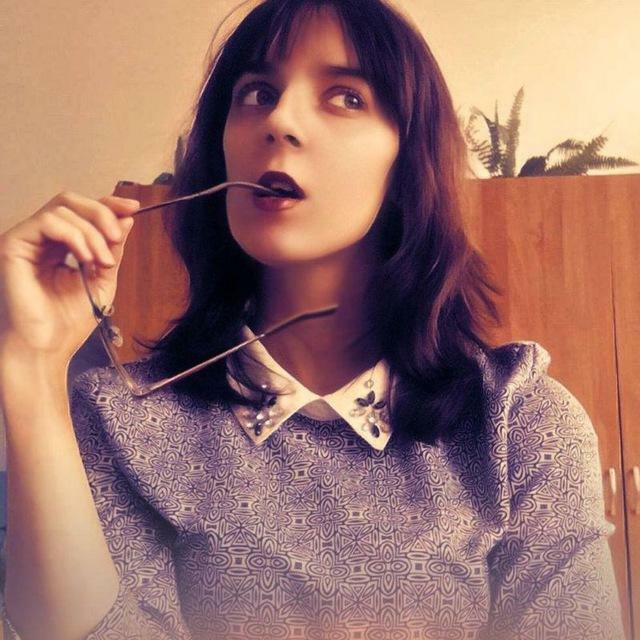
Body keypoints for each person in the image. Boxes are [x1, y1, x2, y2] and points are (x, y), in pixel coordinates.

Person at [0, 0, 625, 638]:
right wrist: (31, 369)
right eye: (257, 93)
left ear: (407, 159)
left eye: (346, 97)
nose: (279, 120)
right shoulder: (125, 422)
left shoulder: (519, 426)